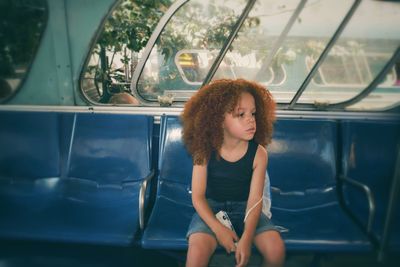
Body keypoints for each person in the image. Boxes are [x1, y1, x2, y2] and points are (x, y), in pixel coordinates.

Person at [181, 79, 285, 267]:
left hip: (246, 209)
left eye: (253, 113)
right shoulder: (203, 151)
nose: (251, 119)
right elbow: (198, 197)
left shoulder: (259, 154)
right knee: (196, 255)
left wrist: (247, 238)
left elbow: (255, 201)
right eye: (241, 114)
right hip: (211, 210)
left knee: (276, 250)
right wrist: (218, 229)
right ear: (218, 119)